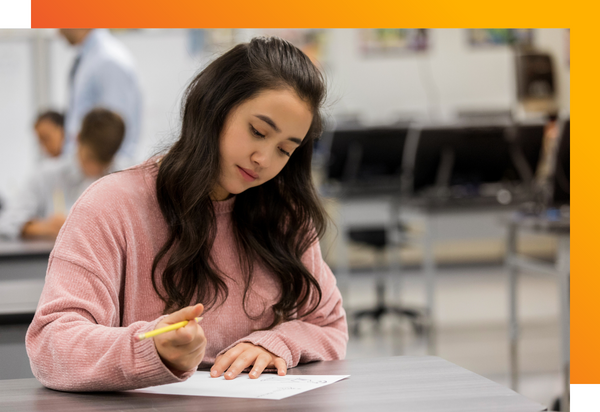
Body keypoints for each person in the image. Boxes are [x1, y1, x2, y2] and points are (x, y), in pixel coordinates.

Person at [26, 36, 348, 392]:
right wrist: (151, 347)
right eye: (257, 132)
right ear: (214, 107)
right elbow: (51, 344)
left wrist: (275, 344)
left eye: (285, 150)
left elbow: (329, 325)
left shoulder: (285, 216)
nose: (264, 159)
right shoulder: (111, 206)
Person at [0, 108, 125, 240]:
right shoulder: (45, 175)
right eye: (90, 158)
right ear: (77, 138)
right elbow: (7, 223)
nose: (94, 168)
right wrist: (45, 227)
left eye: (102, 162)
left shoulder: (122, 183)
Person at [59, 29, 142, 163]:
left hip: (102, 171)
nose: (58, 31)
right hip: (89, 169)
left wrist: (113, 178)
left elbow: (117, 130)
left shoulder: (109, 60)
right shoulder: (91, 57)